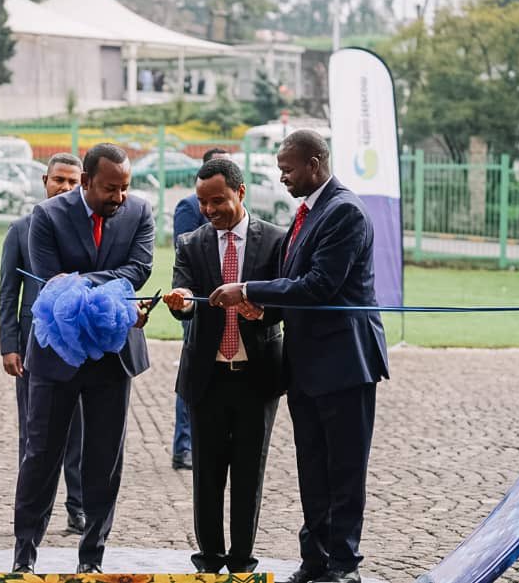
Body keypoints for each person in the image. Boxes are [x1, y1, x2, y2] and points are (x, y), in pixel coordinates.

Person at [210, 130, 389, 583]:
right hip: (307, 365)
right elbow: (292, 280)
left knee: (344, 469)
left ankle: (344, 565)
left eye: (288, 169)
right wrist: (263, 307)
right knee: (312, 466)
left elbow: (318, 286)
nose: (282, 177)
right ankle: (314, 560)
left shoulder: (344, 212)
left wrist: (248, 289)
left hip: (346, 363)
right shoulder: (307, 212)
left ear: (316, 161)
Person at [13, 143, 155, 575]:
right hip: (57, 355)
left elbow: (140, 268)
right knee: (41, 456)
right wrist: (106, 288)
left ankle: (91, 558)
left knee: (104, 459)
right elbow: (48, 278)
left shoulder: (139, 213)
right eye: (111, 188)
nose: (120, 197)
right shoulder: (47, 217)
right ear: (88, 182)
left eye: (125, 188)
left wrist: (84, 283)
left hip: (113, 357)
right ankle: (24, 556)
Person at [163, 157, 286, 574]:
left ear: (241, 192)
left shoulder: (275, 240)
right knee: (208, 475)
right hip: (207, 377)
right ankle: (209, 561)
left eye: (218, 200)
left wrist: (261, 311)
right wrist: (180, 300)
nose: (210, 210)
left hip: (258, 378)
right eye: (203, 203)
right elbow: (184, 297)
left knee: (250, 474)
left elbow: (284, 302)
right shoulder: (190, 243)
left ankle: (242, 563)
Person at [0, 153, 86, 534]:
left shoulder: (84, 229)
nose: (64, 188)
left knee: (79, 431)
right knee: (33, 432)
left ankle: (78, 506)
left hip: (79, 344)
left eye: (72, 182)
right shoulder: (20, 229)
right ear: (44, 180)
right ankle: (29, 509)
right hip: (33, 346)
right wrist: (8, 344)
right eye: (58, 180)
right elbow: (8, 292)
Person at [170, 147, 231, 471]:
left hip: (234, 306)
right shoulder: (187, 207)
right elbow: (187, 251)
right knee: (195, 370)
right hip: (199, 306)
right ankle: (184, 445)